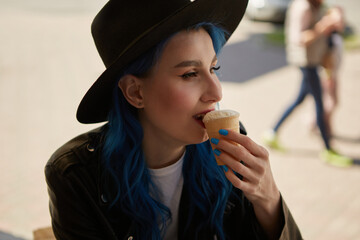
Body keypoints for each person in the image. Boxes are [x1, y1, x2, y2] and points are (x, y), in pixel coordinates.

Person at [45, 0, 302, 239]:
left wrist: (268, 200)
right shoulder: (76, 176)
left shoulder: (226, 150)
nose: (217, 92)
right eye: (190, 74)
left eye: (214, 68)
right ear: (136, 92)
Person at [262, 0, 352, 168]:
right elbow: (299, 39)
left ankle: (272, 133)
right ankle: (328, 148)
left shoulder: (314, 5)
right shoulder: (303, 7)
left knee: (300, 99)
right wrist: (322, 26)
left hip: (312, 61)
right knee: (319, 102)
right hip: (306, 62)